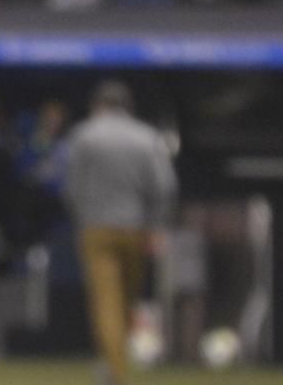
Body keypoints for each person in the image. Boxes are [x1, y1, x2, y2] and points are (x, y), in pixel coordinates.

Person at [64, 80, 178, 385]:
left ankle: (114, 369)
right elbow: (164, 187)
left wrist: (82, 216)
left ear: (99, 105)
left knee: (106, 300)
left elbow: (72, 187)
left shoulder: (84, 135)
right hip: (136, 228)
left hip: (96, 229)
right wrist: (155, 225)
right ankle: (116, 363)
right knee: (127, 300)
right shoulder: (147, 137)